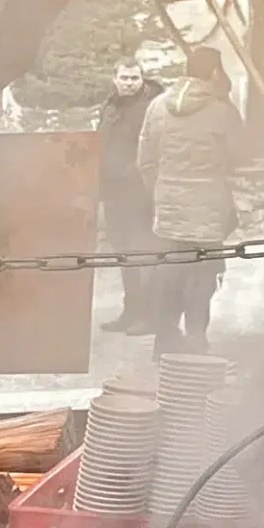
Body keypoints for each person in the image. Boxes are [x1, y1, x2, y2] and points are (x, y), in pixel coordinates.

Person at [137, 45, 244, 353]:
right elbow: (239, 153)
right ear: (214, 72)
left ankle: (165, 341)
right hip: (208, 209)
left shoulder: (157, 106)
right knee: (203, 275)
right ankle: (196, 337)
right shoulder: (221, 110)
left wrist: (161, 190)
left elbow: (145, 160)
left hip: (168, 209)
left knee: (169, 275)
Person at [97, 59, 159, 333]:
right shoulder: (109, 106)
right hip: (113, 190)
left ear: (142, 79)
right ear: (115, 78)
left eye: (135, 78)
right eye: (124, 77)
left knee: (142, 253)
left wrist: (136, 175)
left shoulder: (151, 107)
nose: (129, 83)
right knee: (123, 252)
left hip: (138, 190)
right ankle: (130, 311)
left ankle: (148, 315)